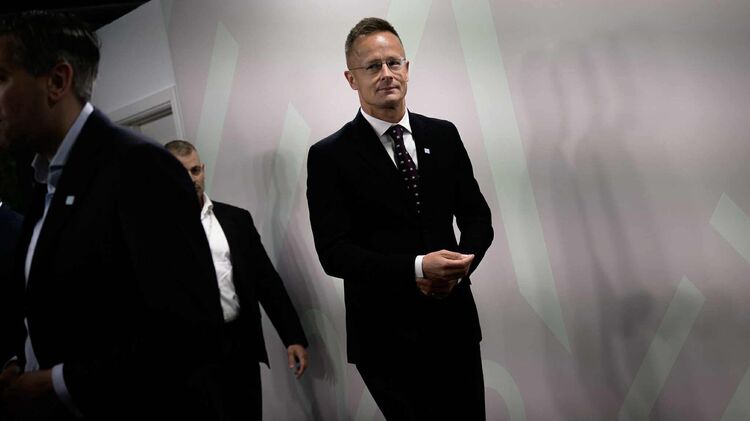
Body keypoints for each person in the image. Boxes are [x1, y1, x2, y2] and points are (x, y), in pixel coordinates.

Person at [0, 11, 225, 420]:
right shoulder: (43, 183)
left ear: (57, 82)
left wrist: (56, 384)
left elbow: (188, 331)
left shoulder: (139, 167)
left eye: (2, 78)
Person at [306, 17, 494, 420]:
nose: (387, 74)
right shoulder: (329, 157)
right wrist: (418, 268)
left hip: (454, 323)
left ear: (407, 68)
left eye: (394, 62)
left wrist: (460, 265)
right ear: (351, 79)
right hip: (385, 338)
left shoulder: (443, 135)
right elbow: (334, 253)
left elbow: (478, 218)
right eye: (373, 66)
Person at [165, 140, 309, 420]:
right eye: (181, 172)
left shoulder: (235, 219)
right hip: (188, 355)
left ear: (203, 169)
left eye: (195, 171)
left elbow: (266, 281)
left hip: (239, 345)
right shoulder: (152, 229)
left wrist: (293, 337)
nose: (191, 179)